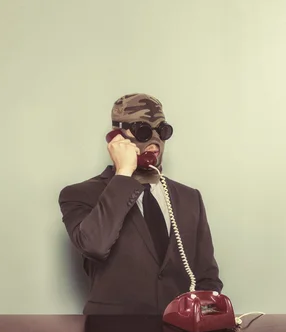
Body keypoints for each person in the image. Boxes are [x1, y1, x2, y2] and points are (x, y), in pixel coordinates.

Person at [59, 93, 223, 315]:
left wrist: (206, 323)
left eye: (162, 130)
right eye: (142, 130)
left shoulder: (189, 197)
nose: (155, 139)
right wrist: (123, 174)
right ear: (117, 137)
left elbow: (207, 276)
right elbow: (94, 245)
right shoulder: (79, 194)